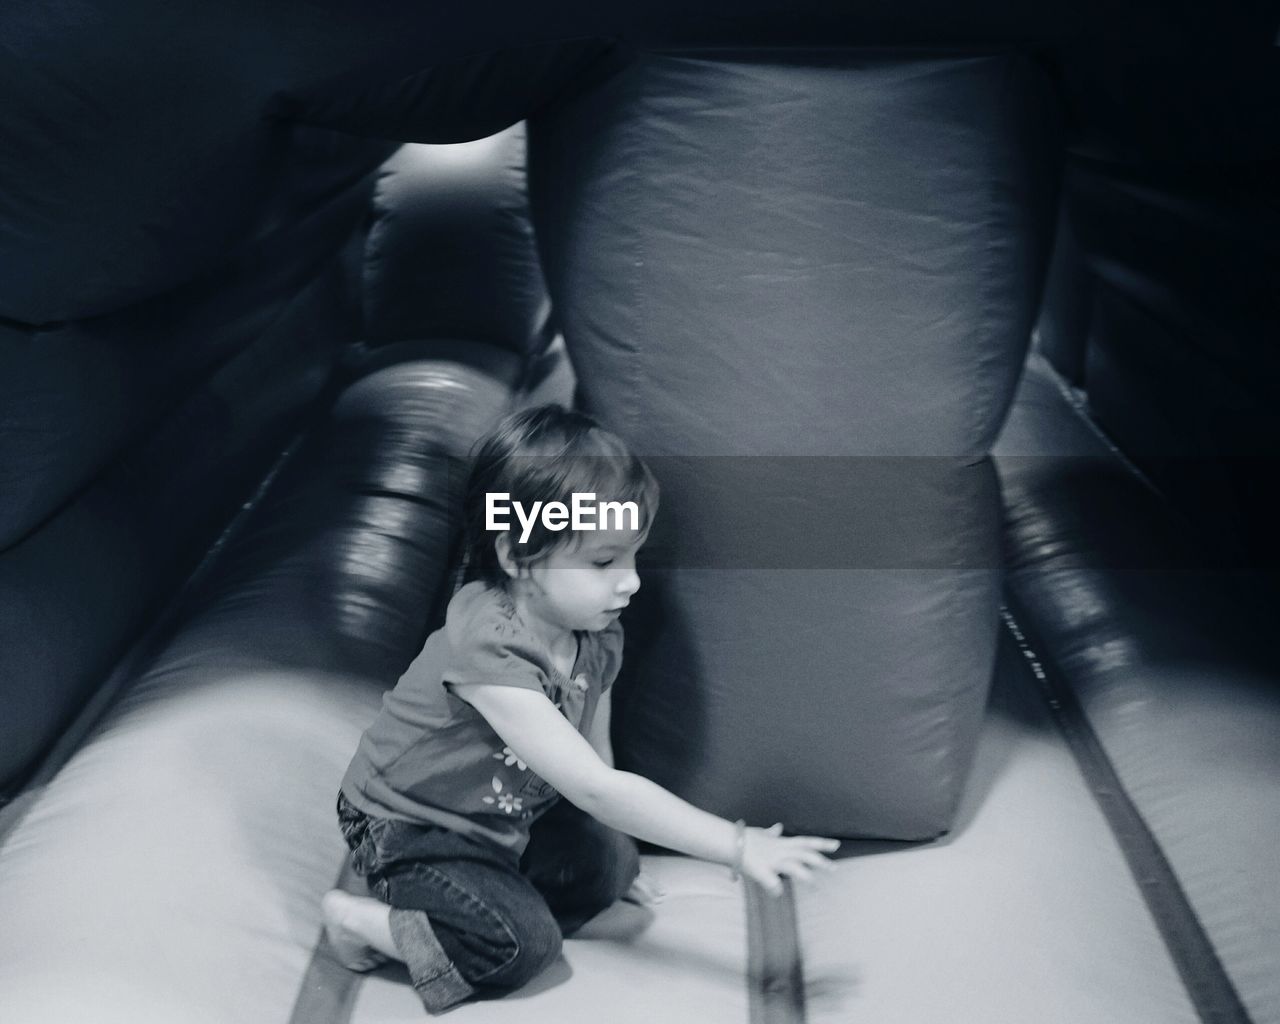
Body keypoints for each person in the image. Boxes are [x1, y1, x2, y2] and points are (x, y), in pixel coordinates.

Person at [323, 404, 839, 1013]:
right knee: (521, 946)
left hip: (497, 821)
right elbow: (596, 786)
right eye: (603, 563)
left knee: (609, 864)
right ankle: (359, 921)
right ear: (517, 558)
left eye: (633, 556)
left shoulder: (597, 636)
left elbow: (597, 753)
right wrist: (736, 844)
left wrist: (605, 855)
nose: (631, 582)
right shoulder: (489, 644)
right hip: (406, 824)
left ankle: (484, 895)